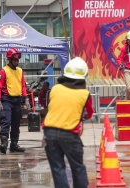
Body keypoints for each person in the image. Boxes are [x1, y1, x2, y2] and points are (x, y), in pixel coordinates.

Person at [42, 57, 94, 188]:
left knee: (58, 168)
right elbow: (88, 114)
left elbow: (53, 107)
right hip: (70, 134)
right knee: (77, 168)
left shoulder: (55, 89)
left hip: (50, 133)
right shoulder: (84, 94)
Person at [0, 48, 30, 154]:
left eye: (17, 59)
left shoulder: (20, 71)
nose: (16, 61)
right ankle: (3, 143)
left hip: (17, 100)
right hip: (6, 99)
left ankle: (14, 144)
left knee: (16, 122)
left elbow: (23, 85)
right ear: (9, 59)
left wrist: (26, 99)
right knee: (6, 121)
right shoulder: (3, 71)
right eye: (14, 59)